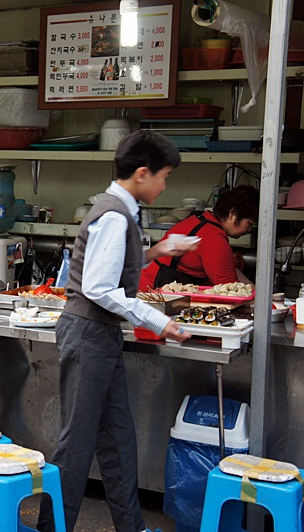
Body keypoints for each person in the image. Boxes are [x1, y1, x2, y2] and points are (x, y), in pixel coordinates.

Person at [37, 131, 196, 532]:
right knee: (77, 445)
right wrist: (161, 321)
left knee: (118, 438)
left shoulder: (122, 211)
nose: (165, 185)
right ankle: (49, 528)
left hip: (100, 335)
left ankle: (133, 526)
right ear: (142, 174)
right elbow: (99, 287)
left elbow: (112, 264)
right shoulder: (112, 214)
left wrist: (158, 251)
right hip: (88, 332)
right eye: (164, 176)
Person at [139, 185, 259, 290]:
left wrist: (254, 290)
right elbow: (230, 288)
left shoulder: (202, 219)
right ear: (233, 214)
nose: (248, 230)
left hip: (145, 283)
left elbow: (230, 271)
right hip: (152, 292)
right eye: (248, 223)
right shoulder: (215, 238)